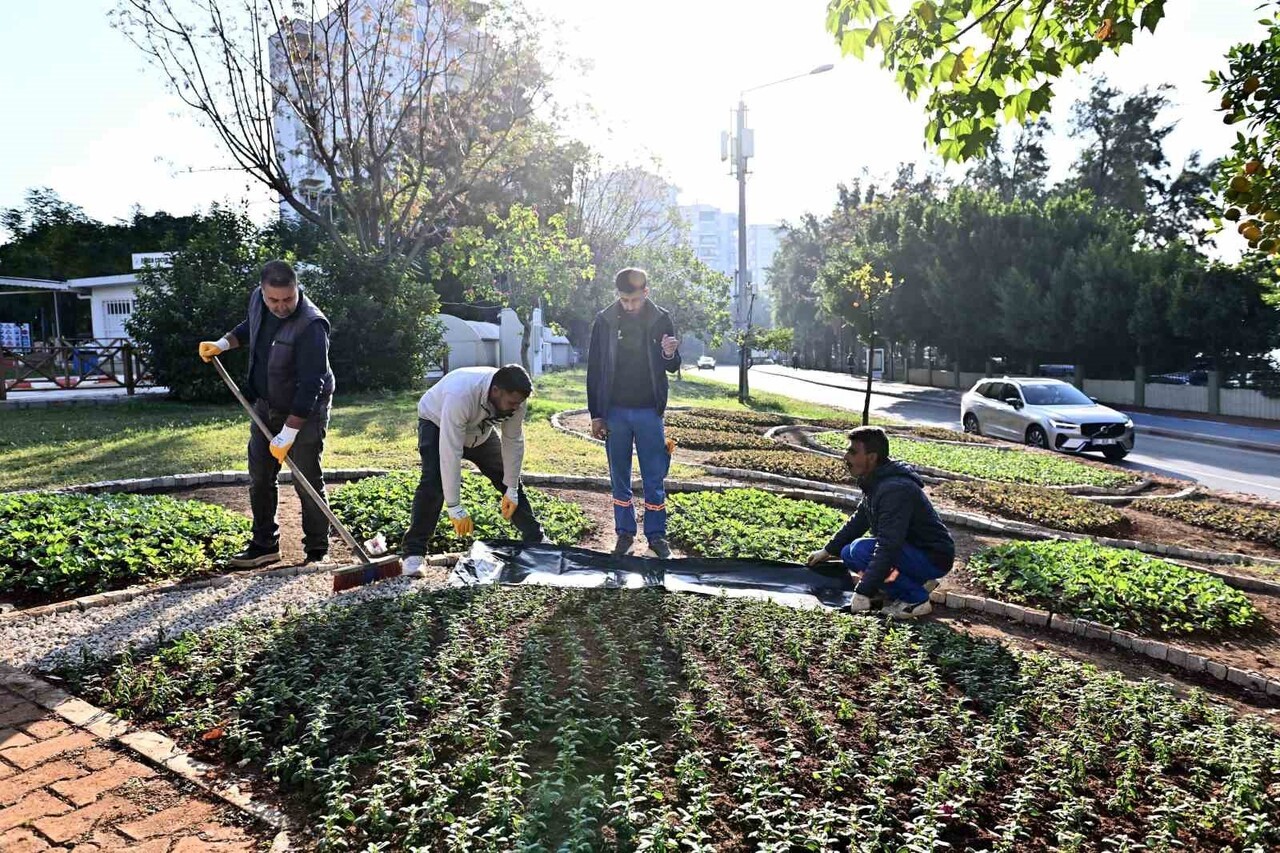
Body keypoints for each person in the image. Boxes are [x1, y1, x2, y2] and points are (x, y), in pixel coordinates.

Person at [199, 260, 334, 568]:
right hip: (265, 403)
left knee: (306, 479)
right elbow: (251, 327)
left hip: (305, 411)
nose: (281, 306)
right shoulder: (259, 301)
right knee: (260, 475)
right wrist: (223, 344)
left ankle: (317, 551)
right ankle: (264, 545)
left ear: (297, 289)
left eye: (288, 299)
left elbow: (311, 385)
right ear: (262, 292)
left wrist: (289, 432)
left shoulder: (312, 325)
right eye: (274, 300)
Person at [400, 364, 544, 576]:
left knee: (506, 476)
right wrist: (454, 505)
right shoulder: (460, 394)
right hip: (438, 422)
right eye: (512, 403)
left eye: (519, 403)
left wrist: (511, 487)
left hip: (479, 433)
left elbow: (513, 441)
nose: (516, 407)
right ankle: (413, 554)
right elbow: (451, 452)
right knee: (433, 482)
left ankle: (537, 540)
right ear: (496, 391)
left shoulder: (516, 401)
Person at [806, 426, 954, 618]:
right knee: (847, 553)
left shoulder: (894, 489)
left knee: (861, 552)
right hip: (911, 552)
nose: (845, 457)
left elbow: (888, 546)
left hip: (931, 557)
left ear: (872, 457)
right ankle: (912, 583)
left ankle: (915, 599)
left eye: (852, 451)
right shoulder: (877, 481)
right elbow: (859, 520)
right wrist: (828, 550)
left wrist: (863, 591)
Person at [587, 267, 681, 558]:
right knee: (619, 476)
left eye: (634, 300)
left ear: (646, 293)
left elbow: (672, 365)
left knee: (654, 477)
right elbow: (594, 370)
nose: (629, 306)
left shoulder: (661, 318)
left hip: (648, 411)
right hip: (614, 411)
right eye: (624, 300)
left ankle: (656, 536)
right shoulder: (604, 321)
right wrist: (596, 413)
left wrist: (668, 352)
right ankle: (625, 534)